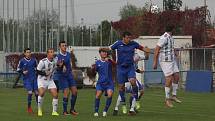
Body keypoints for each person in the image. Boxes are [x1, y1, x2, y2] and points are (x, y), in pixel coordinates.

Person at [109, 31, 149, 115]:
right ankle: (123, 104)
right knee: (121, 88)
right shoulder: (118, 43)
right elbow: (109, 49)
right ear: (123, 38)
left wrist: (147, 50)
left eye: (130, 38)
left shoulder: (133, 44)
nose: (129, 39)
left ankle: (136, 101)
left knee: (133, 82)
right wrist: (104, 53)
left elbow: (143, 49)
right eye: (127, 38)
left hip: (130, 68)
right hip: (120, 68)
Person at [153, 25, 182, 108]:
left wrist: (176, 53)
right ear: (172, 30)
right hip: (165, 61)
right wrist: (155, 62)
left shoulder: (171, 37)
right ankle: (167, 100)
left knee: (176, 76)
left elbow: (171, 47)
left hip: (172, 60)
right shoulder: (164, 37)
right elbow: (157, 49)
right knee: (169, 79)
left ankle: (174, 95)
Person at [113, 50, 148, 115]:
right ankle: (130, 108)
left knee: (139, 91)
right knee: (129, 91)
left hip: (130, 77)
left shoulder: (134, 55)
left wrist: (139, 71)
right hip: (127, 77)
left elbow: (136, 67)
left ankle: (121, 108)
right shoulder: (130, 56)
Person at [56, 41, 78, 115]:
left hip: (69, 75)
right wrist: (61, 66)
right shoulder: (58, 56)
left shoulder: (68, 54)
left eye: (65, 45)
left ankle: (72, 109)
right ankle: (64, 111)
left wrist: (73, 70)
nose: (65, 47)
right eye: (63, 45)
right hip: (62, 76)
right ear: (60, 47)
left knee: (75, 91)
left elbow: (70, 63)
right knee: (67, 92)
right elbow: (57, 68)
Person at [92, 48, 115, 117]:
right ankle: (96, 111)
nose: (104, 53)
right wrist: (93, 68)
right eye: (103, 52)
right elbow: (94, 71)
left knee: (110, 94)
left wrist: (110, 60)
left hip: (109, 83)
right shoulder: (97, 62)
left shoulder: (109, 61)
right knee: (98, 95)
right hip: (101, 83)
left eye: (105, 52)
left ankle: (105, 111)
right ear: (100, 53)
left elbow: (115, 64)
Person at [36, 48, 59, 116]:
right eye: (51, 52)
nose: (52, 53)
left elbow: (57, 67)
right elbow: (37, 71)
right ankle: (39, 110)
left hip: (50, 80)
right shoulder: (43, 61)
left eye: (53, 52)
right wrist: (44, 73)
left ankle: (54, 112)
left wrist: (62, 67)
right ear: (47, 54)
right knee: (42, 93)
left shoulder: (55, 61)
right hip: (41, 80)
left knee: (55, 95)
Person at [17, 48, 38, 114]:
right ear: (25, 53)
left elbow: (37, 68)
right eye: (27, 52)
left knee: (37, 93)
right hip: (27, 79)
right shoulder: (22, 61)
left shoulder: (34, 60)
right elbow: (18, 69)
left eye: (29, 52)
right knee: (30, 92)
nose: (29, 53)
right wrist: (23, 72)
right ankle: (29, 108)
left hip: (34, 79)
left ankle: (39, 108)